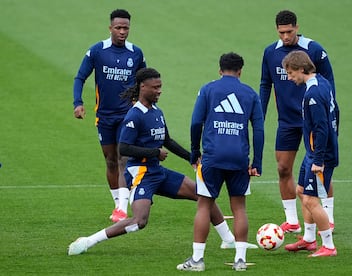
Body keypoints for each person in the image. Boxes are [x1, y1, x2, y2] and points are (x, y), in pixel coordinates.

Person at [68, 67, 258, 257]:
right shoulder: (134, 115)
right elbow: (123, 149)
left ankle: (229, 240)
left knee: (203, 194)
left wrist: (192, 157)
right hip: (142, 173)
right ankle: (88, 241)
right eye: (156, 87)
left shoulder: (156, 111)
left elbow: (167, 140)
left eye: (160, 87)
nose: (160, 91)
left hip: (157, 171)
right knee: (139, 221)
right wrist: (153, 152)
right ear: (143, 87)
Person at [177, 53, 265, 271]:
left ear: (220, 70)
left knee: (204, 205)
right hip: (239, 159)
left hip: (213, 157)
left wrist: (195, 151)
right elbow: (259, 130)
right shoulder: (251, 94)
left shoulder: (208, 89)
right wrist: (257, 162)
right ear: (240, 71)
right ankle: (240, 260)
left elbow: (196, 122)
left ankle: (197, 260)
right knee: (240, 208)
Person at [259, 10, 337, 233]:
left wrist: (331, 114)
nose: (285, 37)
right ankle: (292, 221)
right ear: (277, 30)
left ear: (297, 27)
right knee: (283, 168)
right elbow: (266, 85)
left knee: (318, 168)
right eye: (281, 32)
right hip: (287, 121)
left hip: (313, 120)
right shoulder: (270, 53)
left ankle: (328, 216)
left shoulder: (314, 50)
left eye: (289, 32)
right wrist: (260, 116)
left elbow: (328, 83)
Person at [73, 9, 147, 222]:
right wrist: (78, 103)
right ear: (110, 28)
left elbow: (145, 80)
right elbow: (80, 77)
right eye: (119, 28)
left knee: (124, 157)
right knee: (111, 160)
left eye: (126, 28)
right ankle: (118, 203)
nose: (123, 32)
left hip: (127, 115)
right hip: (104, 116)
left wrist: (140, 103)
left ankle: (122, 208)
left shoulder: (136, 53)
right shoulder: (97, 51)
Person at [282, 50, 338, 257]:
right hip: (313, 152)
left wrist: (319, 159)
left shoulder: (313, 94)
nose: (289, 78)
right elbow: (336, 114)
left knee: (311, 200)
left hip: (318, 155)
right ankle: (308, 239)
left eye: (290, 73)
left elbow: (322, 128)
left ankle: (329, 246)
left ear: (301, 69)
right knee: (301, 190)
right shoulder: (323, 83)